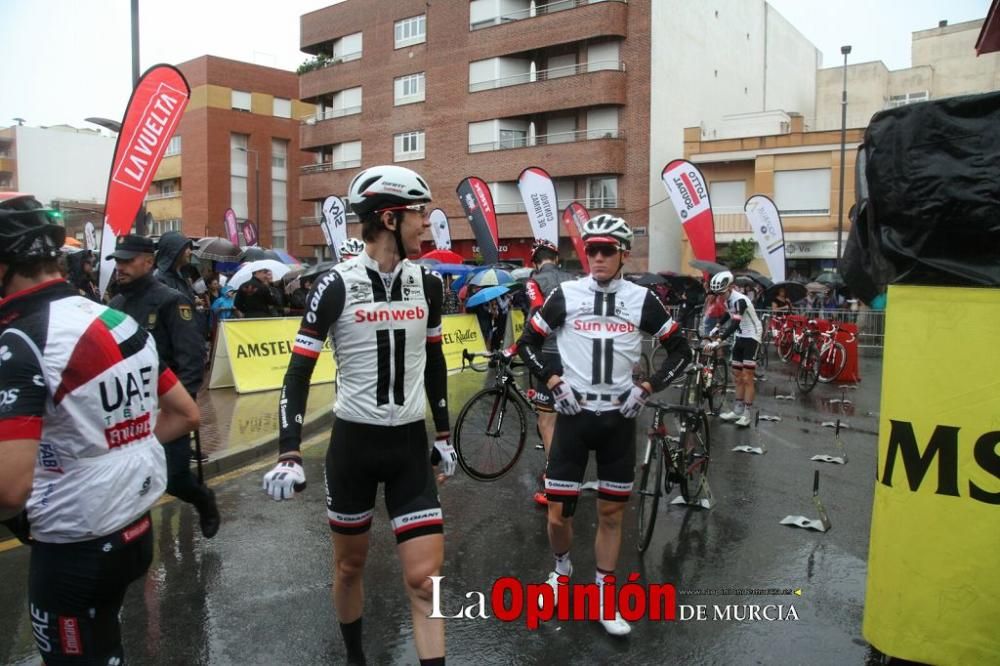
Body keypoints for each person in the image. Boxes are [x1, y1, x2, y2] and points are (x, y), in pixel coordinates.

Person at [263, 165, 453, 665]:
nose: (425, 224)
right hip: (354, 447)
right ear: (390, 218)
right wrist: (289, 452)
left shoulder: (428, 284)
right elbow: (297, 374)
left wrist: (446, 433)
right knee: (349, 568)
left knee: (424, 579)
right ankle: (354, 660)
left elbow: (434, 360)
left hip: (410, 447)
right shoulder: (335, 285)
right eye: (419, 214)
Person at [0, 207, 200, 664]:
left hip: (74, 544)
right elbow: (186, 415)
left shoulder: (23, 339)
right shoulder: (114, 319)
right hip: (132, 527)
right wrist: (117, 444)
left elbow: (10, 490)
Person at [516, 214, 691, 636]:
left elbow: (681, 351)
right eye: (591, 249)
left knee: (612, 514)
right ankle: (561, 571)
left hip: (617, 418)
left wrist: (646, 387)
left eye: (606, 250)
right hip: (573, 417)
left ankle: (602, 593)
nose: (596, 257)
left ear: (623, 255)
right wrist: (554, 382)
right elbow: (527, 343)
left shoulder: (642, 299)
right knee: (559, 515)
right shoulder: (565, 293)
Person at [107, 234, 221, 538]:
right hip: (128, 407)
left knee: (174, 477)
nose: (120, 267)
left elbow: (191, 356)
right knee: (131, 477)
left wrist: (182, 402)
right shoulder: (115, 304)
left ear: (149, 261)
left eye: (127, 261)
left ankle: (203, 499)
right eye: (118, 261)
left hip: (168, 405)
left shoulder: (171, 300)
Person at [521, 238, 576, 506]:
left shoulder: (534, 282)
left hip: (549, 351)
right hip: (577, 352)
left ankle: (555, 479)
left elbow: (535, 315)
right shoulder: (574, 278)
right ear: (556, 258)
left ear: (535, 262)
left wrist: (517, 346)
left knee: (548, 419)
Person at [709, 270, 763, 427]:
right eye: (717, 293)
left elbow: (735, 322)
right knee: (737, 375)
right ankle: (738, 410)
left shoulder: (740, 300)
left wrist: (719, 339)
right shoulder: (727, 299)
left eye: (721, 293)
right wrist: (717, 326)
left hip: (752, 336)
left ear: (730, 287)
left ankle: (747, 414)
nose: (719, 296)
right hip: (740, 336)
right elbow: (728, 315)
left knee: (747, 376)